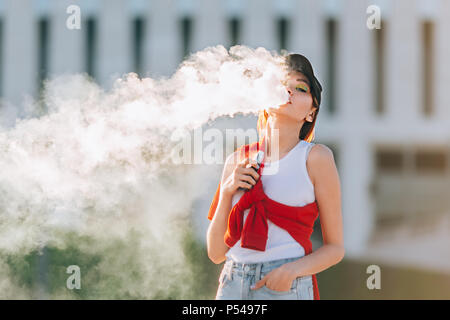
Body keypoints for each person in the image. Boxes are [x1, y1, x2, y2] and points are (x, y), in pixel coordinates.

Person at [206, 53, 344, 300]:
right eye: (282, 85)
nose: (288, 91)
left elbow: (335, 249)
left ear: (311, 113)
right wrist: (228, 191)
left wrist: (291, 271)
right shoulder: (237, 159)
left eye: (300, 88)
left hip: (284, 284)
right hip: (231, 281)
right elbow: (216, 252)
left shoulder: (316, 158)